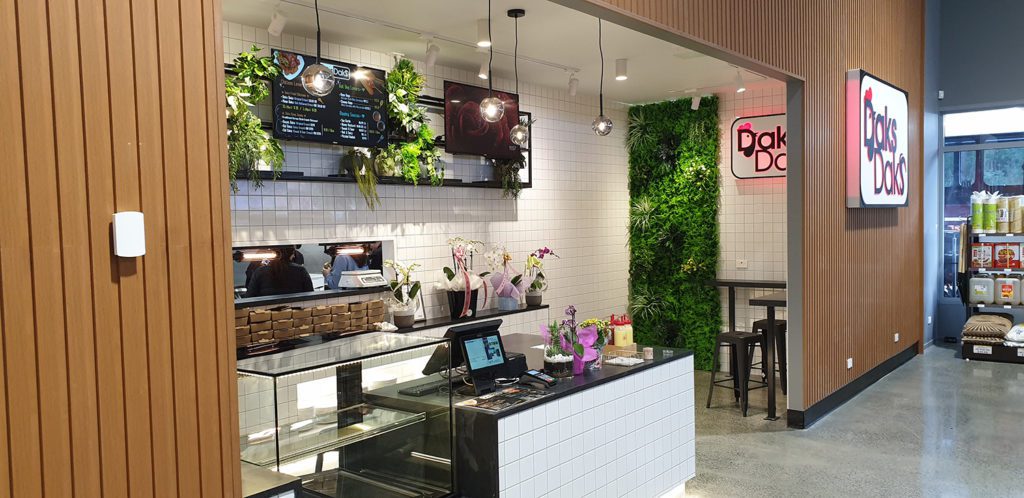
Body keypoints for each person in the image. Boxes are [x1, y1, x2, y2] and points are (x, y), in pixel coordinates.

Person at [244, 247, 314, 297]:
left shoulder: (260, 271)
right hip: (294, 311)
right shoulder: (301, 270)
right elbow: (311, 295)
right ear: (291, 255)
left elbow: (249, 297)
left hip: (266, 311)